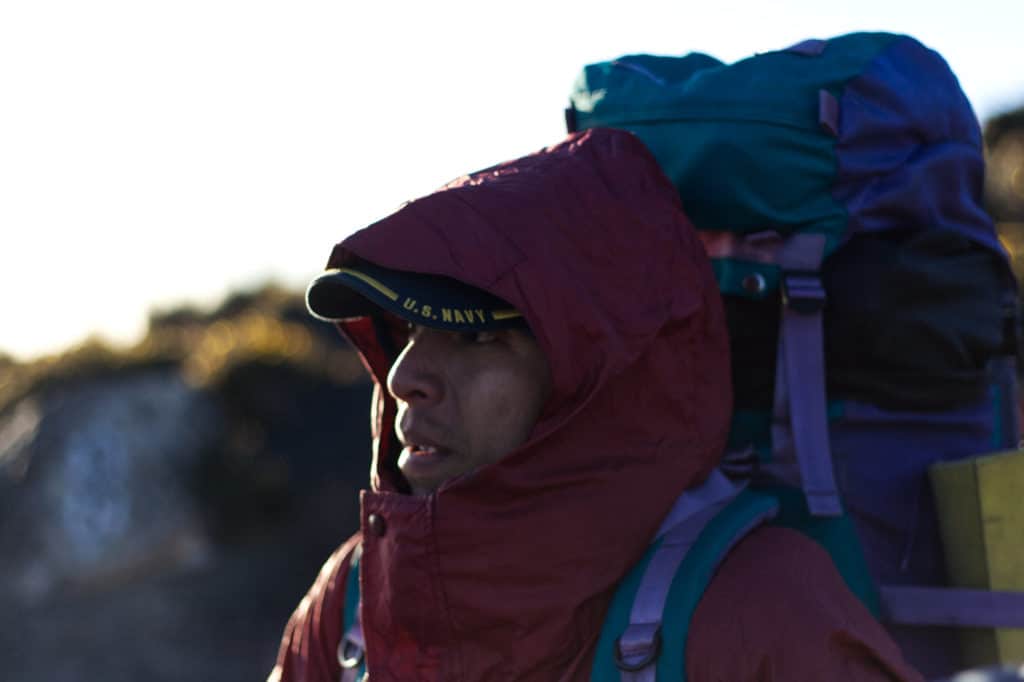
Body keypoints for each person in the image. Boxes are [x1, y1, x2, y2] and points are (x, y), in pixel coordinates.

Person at [269, 128, 923, 681]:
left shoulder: (758, 605)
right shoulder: (353, 600)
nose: (406, 376)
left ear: (592, 378)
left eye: (474, 335)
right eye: (407, 330)